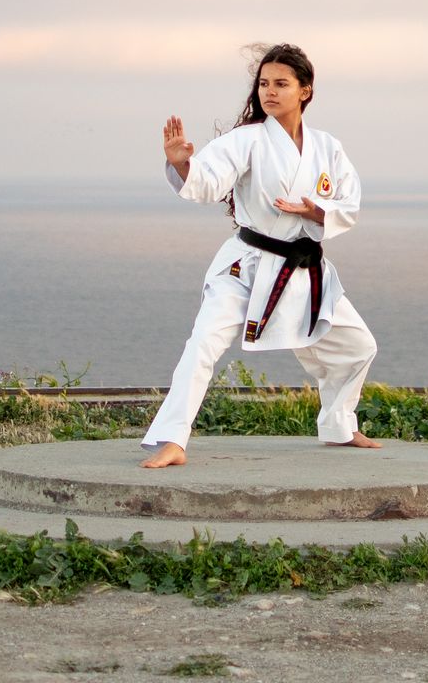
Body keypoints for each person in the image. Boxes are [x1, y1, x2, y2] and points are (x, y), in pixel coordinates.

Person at [140, 42, 381, 468]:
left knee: (359, 345)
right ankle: (173, 439)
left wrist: (315, 210)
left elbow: (350, 202)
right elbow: (209, 181)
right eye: (264, 83)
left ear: (304, 90)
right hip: (247, 264)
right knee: (203, 343)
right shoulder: (247, 140)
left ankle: (340, 425)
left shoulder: (328, 148)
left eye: (281, 84)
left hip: (304, 266)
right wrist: (182, 166)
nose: (270, 91)